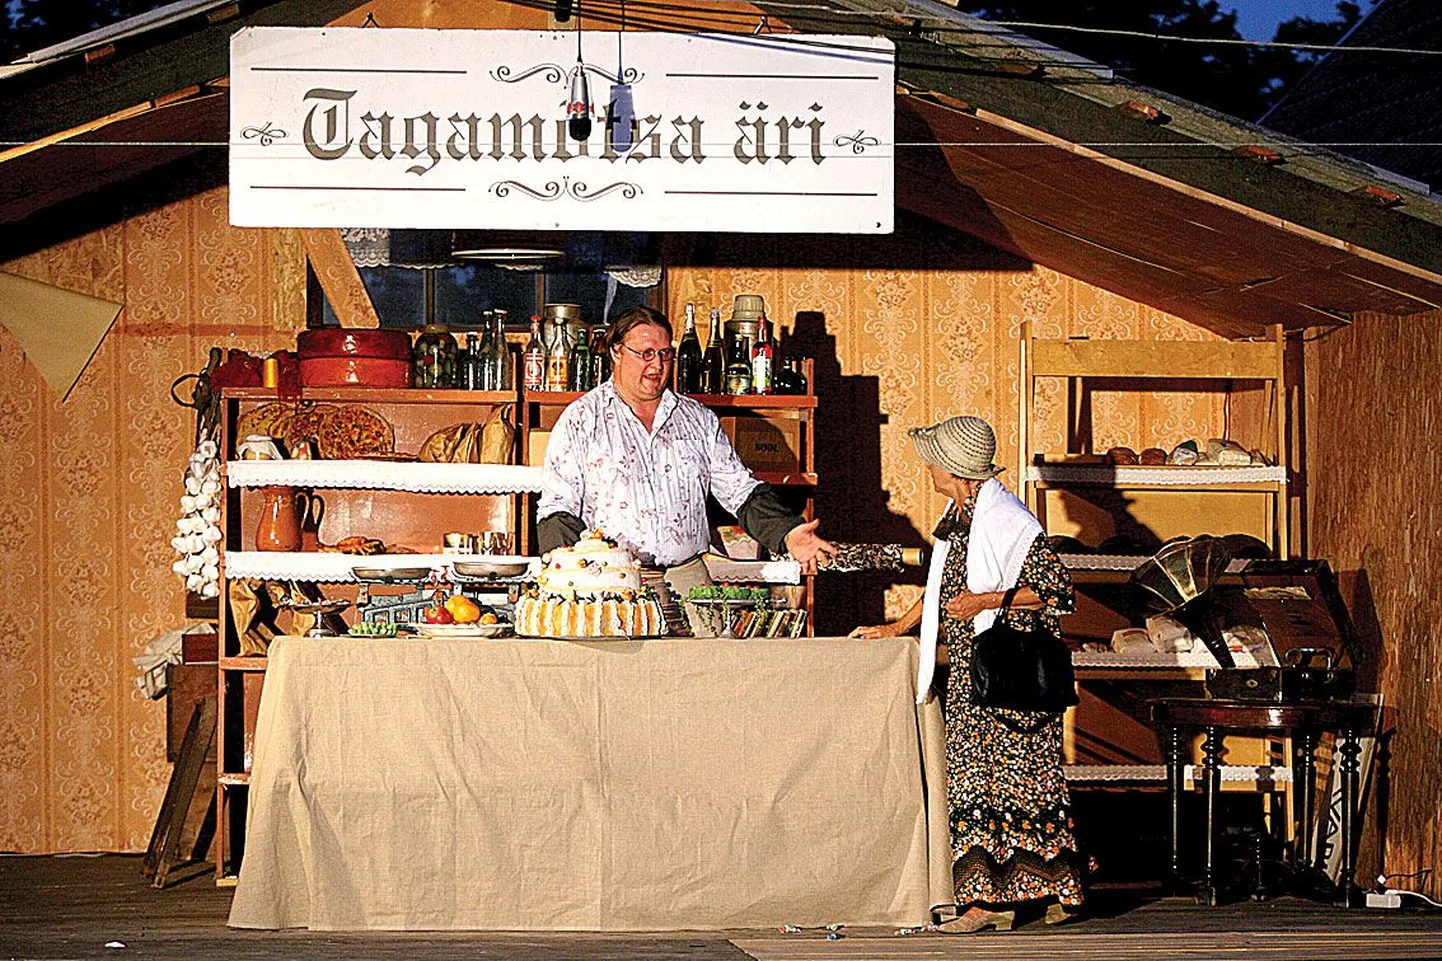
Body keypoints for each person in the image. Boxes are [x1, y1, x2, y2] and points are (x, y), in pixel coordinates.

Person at [850, 414, 1083, 931]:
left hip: (1008, 676)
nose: (927, 468)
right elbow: (940, 593)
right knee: (999, 784)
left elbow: (1057, 591)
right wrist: (897, 628)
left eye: (934, 461)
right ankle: (1044, 890)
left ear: (954, 469)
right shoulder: (961, 517)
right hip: (977, 677)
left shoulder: (1006, 521)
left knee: (1005, 784)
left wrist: (987, 599)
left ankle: (987, 904)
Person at [538, 305, 836, 599]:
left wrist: (787, 532)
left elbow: (740, 491)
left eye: (665, 354)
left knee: (708, 647)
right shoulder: (582, 419)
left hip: (688, 576)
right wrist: (570, 582)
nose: (657, 366)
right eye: (646, 354)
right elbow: (557, 506)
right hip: (611, 579)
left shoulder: (698, 419)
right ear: (616, 352)